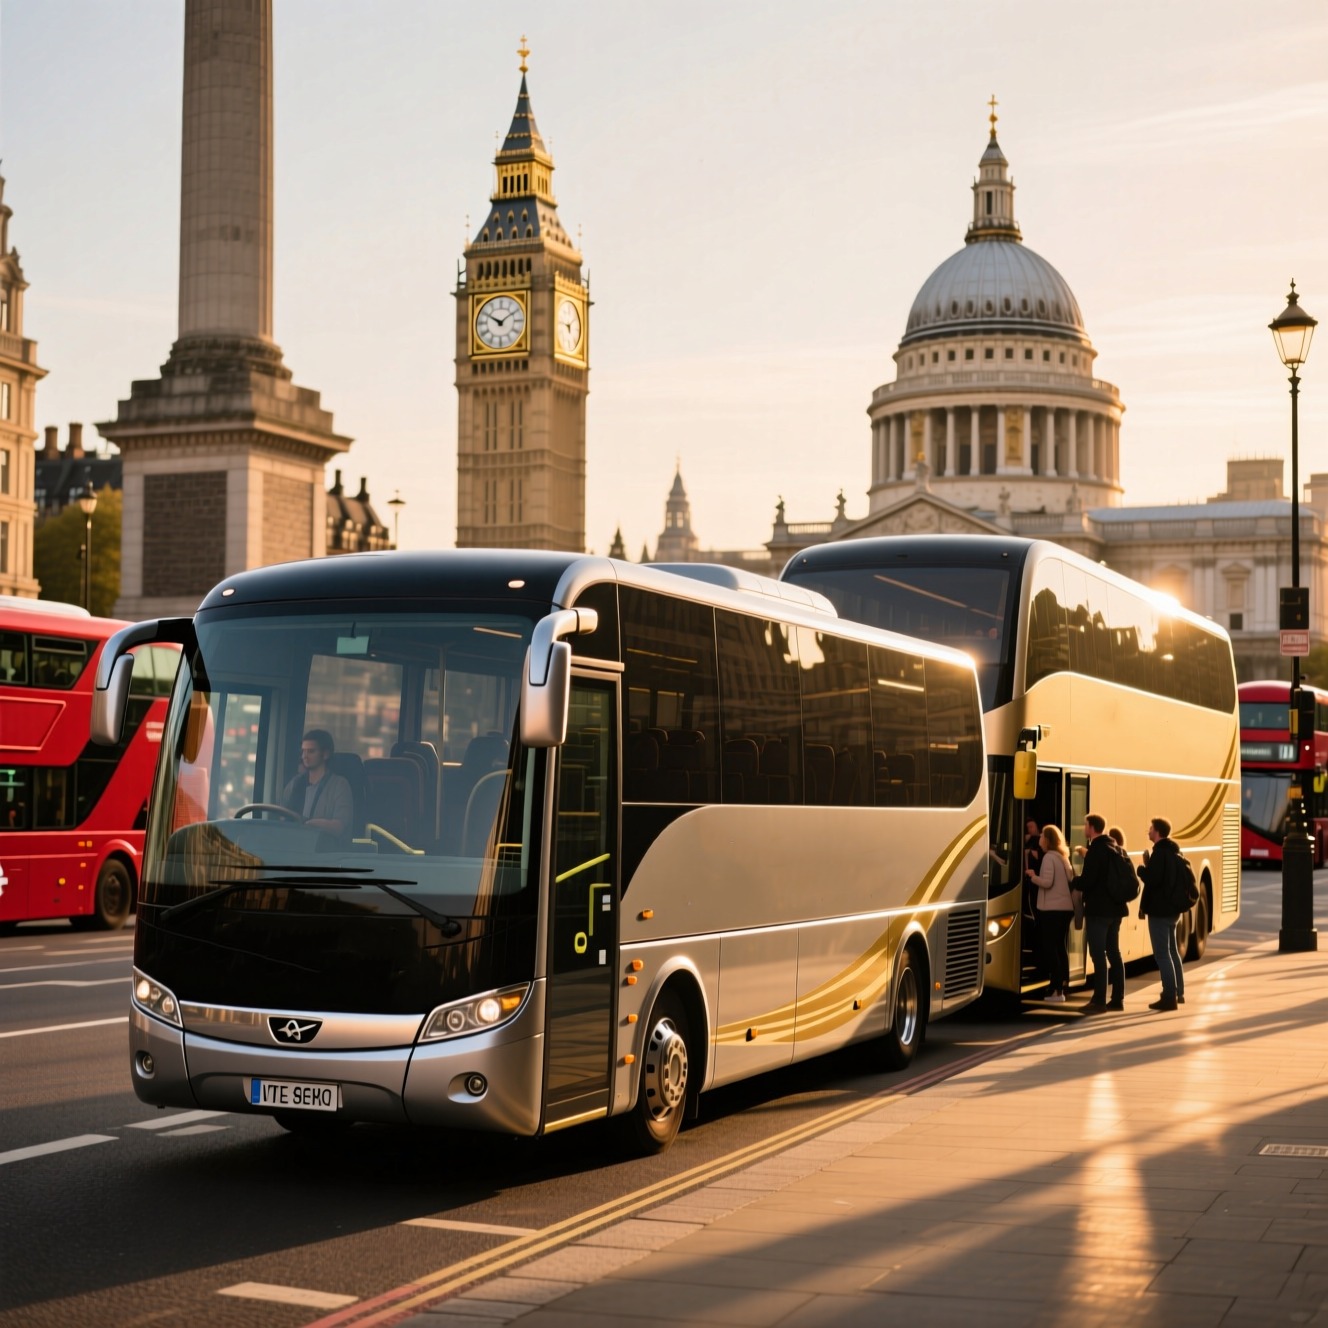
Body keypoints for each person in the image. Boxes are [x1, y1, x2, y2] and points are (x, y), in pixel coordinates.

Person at [1078, 812, 1126, 1013]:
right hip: (1116, 910)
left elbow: (1087, 881)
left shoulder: (1095, 850)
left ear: (1091, 828)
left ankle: (1098, 1001)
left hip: (1098, 911)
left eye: (1085, 825)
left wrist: (1073, 881)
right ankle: (1117, 999)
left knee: (1098, 955)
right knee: (1114, 953)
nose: (1084, 828)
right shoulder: (1116, 848)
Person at [1137, 815, 1186, 1012]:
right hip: (1173, 911)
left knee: (1162, 955)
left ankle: (1168, 996)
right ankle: (1179, 993)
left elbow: (1153, 880)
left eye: (1151, 828)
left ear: (1157, 832)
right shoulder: (1175, 851)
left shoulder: (1159, 853)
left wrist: (1142, 869)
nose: (1148, 831)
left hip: (1160, 911)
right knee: (1172, 951)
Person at [1026, 824, 1075, 1002]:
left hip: (1052, 910)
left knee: (1050, 947)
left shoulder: (1048, 857)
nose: (1039, 838)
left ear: (1047, 839)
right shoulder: (1063, 857)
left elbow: (1047, 883)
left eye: (1041, 836)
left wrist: (1032, 875)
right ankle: (1062, 985)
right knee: (1060, 947)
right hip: (1065, 909)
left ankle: (1056, 989)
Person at [280, 729, 353, 838]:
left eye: (311, 751)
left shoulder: (340, 785)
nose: (304, 756)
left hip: (324, 846)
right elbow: (281, 815)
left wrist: (310, 824)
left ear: (325, 754)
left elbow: (340, 826)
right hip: (292, 842)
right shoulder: (295, 783)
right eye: (303, 751)